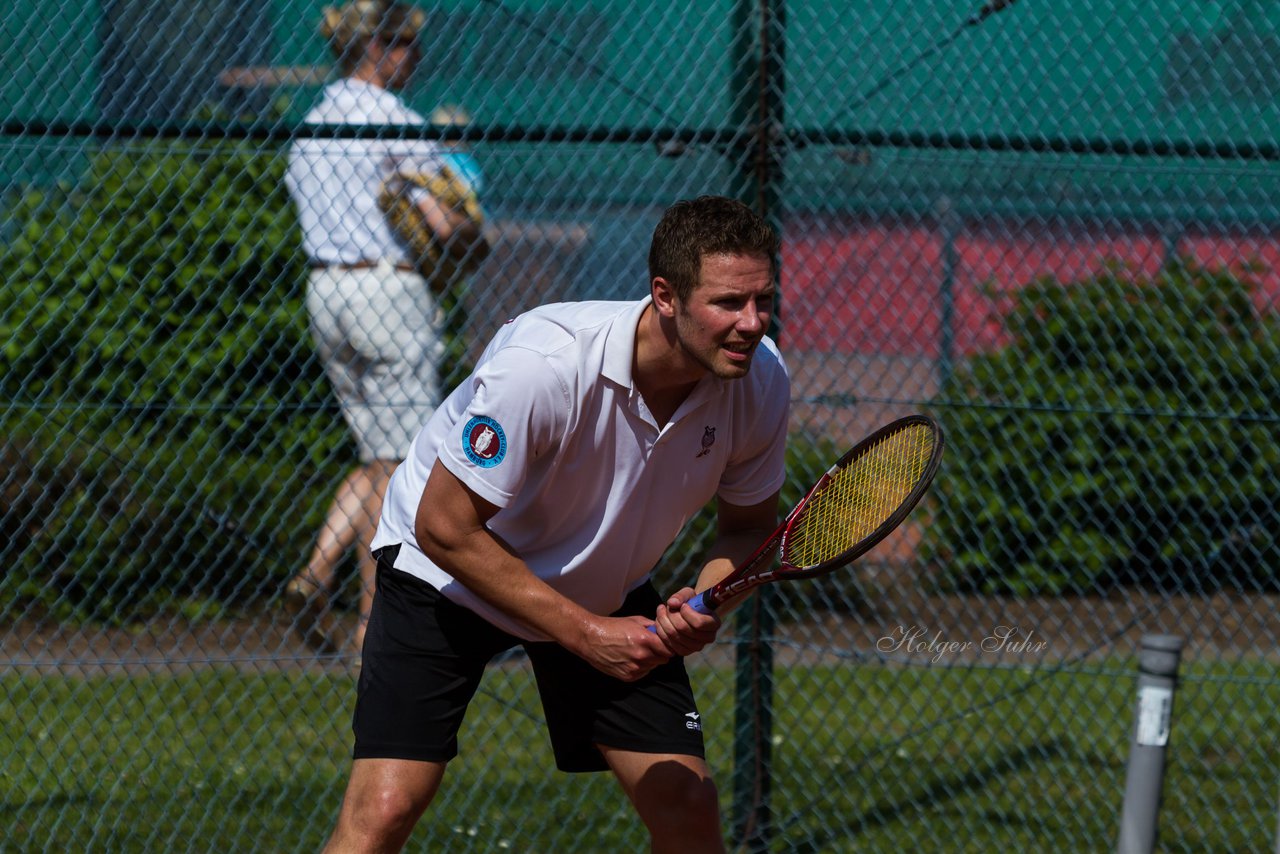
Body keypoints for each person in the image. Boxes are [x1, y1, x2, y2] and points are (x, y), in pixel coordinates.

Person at [321, 195, 791, 853]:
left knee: (687, 806)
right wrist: (588, 634)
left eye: (763, 300)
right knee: (386, 809)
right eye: (728, 303)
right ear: (665, 296)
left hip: (602, 586)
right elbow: (444, 528)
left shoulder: (761, 381)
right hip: (449, 574)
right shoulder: (545, 365)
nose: (751, 323)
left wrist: (709, 598)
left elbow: (747, 528)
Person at [283, 0, 488, 655]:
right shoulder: (397, 121)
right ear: (378, 48)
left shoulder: (312, 124)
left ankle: (316, 571)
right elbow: (443, 222)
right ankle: (377, 623)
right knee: (402, 470)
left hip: (325, 289)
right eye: (405, 45)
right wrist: (471, 232)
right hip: (387, 290)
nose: (414, 57)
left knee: (377, 456)